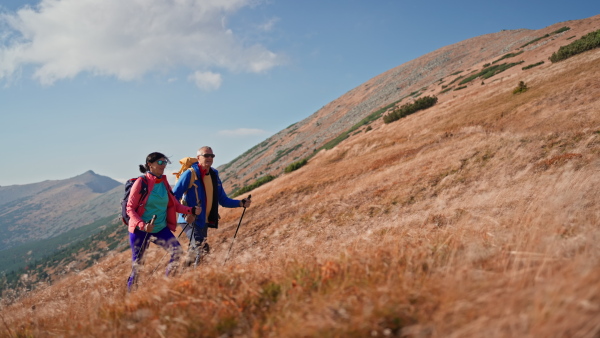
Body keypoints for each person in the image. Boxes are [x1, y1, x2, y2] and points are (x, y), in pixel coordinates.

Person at [126, 152, 201, 291]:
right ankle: (130, 297)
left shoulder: (164, 183)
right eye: (160, 162)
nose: (164, 165)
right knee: (138, 265)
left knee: (177, 251)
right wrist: (142, 225)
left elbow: (175, 205)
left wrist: (190, 210)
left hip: (160, 228)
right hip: (140, 230)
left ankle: (168, 286)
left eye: (165, 162)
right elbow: (129, 209)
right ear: (150, 164)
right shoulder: (141, 182)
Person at [173, 146, 251, 266]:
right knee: (202, 248)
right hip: (189, 220)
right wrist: (185, 213)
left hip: (203, 221)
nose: (210, 158)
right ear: (198, 158)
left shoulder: (214, 175)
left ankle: (182, 276)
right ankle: (196, 278)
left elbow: (223, 200)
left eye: (212, 156)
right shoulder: (190, 174)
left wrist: (240, 203)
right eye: (206, 155)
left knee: (195, 251)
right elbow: (174, 197)